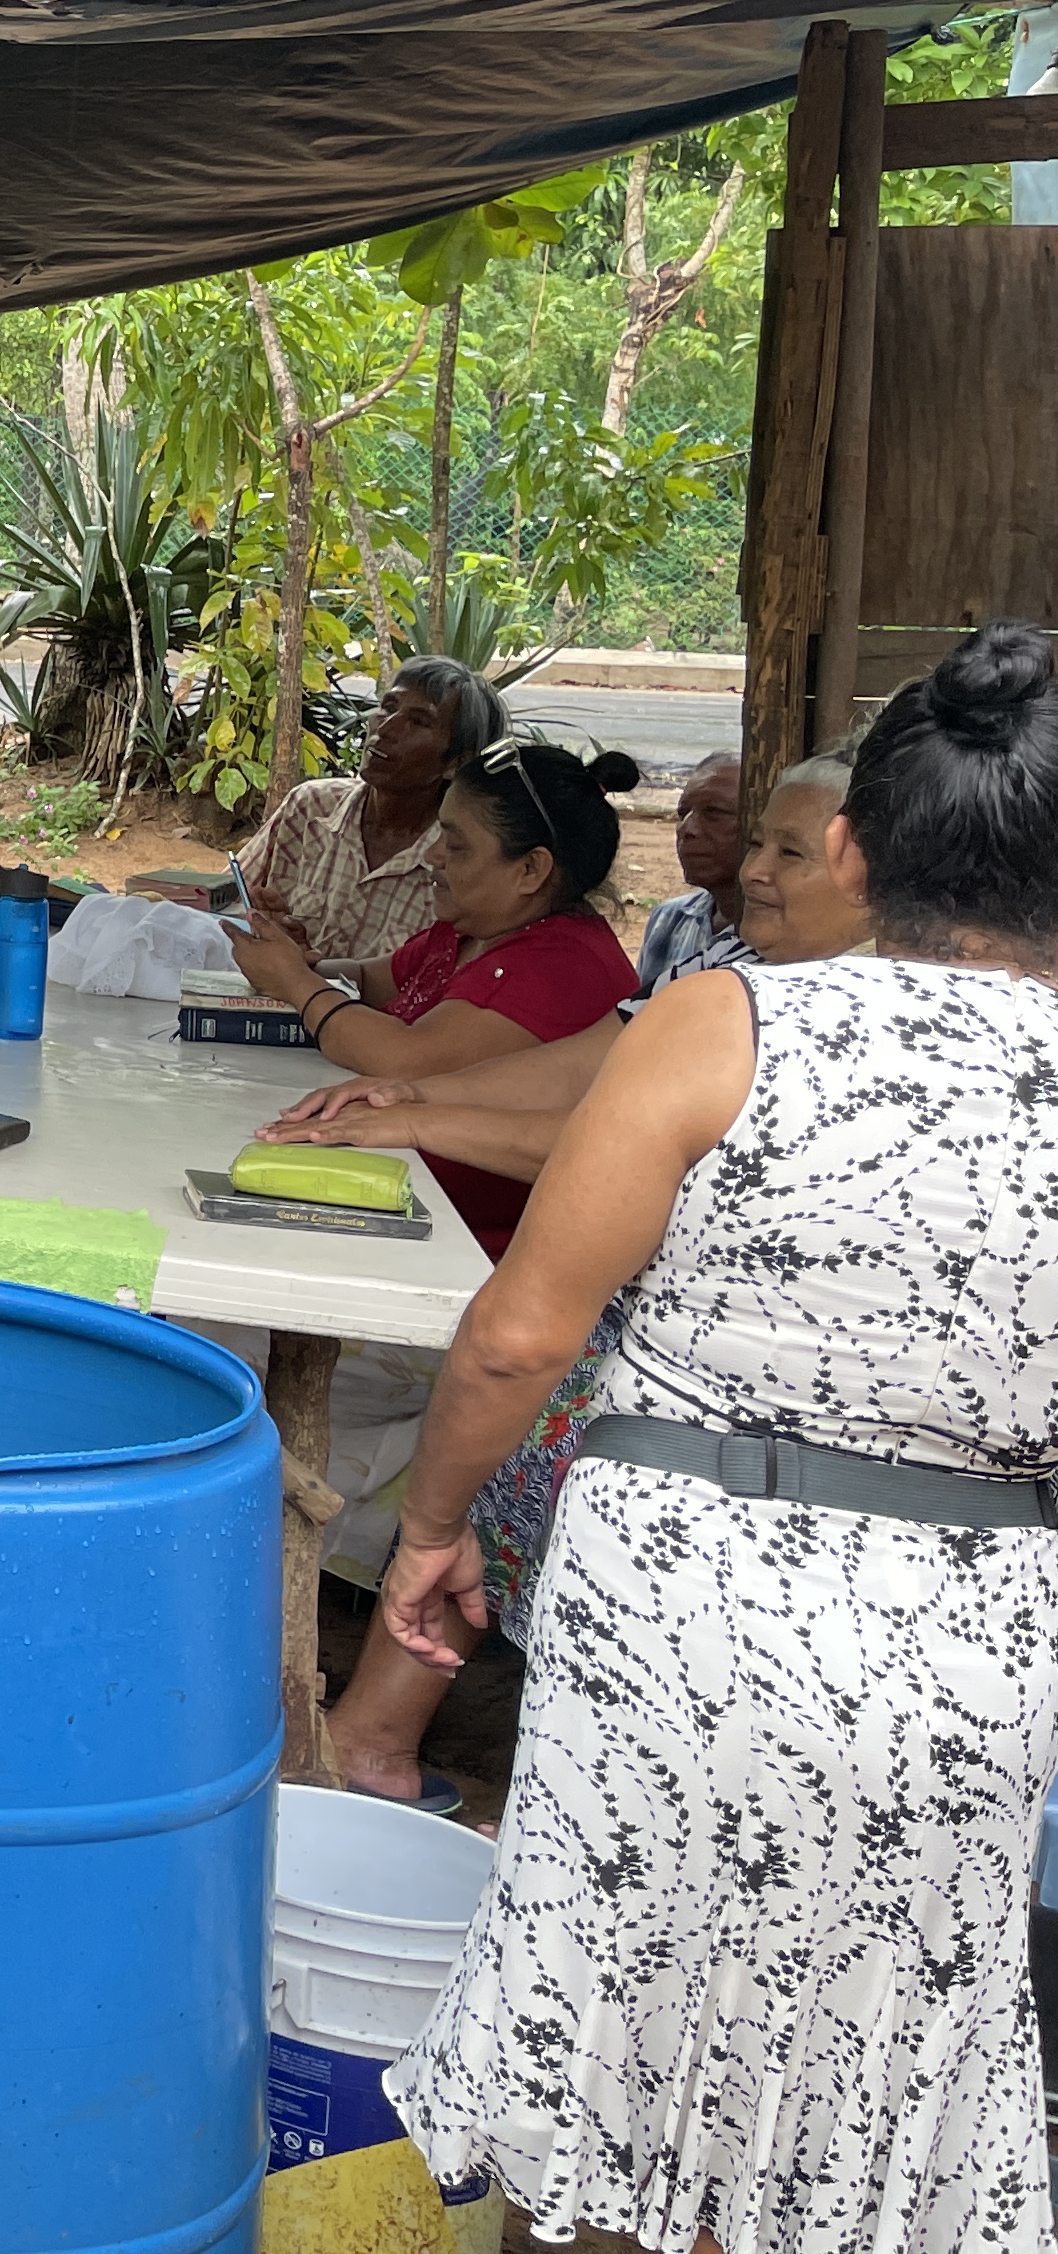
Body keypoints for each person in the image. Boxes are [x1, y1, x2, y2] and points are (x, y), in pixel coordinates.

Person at [377, 627, 1058, 2254]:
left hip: (683, 1605)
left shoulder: (724, 1021)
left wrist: (428, 1527)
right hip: (967, 1637)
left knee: (619, 2021)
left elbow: (522, 1329)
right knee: (866, 2051)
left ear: (847, 843)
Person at [259, 751, 871, 1811]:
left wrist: (414, 1104)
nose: (755, 870)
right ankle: (378, 1739)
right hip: (675, 1338)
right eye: (757, 841)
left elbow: (624, 1145)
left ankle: (390, 1743)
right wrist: (407, 1096)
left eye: (786, 851)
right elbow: (596, 1068)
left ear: (872, 870)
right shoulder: (731, 968)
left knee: (527, 1394)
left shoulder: (828, 1015)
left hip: (759, 1381)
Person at [224, 733, 643, 1254]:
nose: (432, 856)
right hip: (402, 1194)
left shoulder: (564, 966)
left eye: (456, 844)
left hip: (466, 1248)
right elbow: (371, 980)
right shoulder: (474, 927)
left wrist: (295, 982)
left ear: (531, 870)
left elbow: (405, 1059)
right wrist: (301, 959)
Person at [233, 656, 502, 967]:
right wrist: (266, 932)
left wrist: (310, 970)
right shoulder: (310, 807)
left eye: (418, 721)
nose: (385, 728)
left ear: (456, 762)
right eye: (388, 707)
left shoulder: (459, 865)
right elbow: (223, 903)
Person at [630, 748, 750, 992]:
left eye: (714, 812)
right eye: (683, 813)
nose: (687, 829)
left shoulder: (781, 938)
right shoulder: (670, 919)